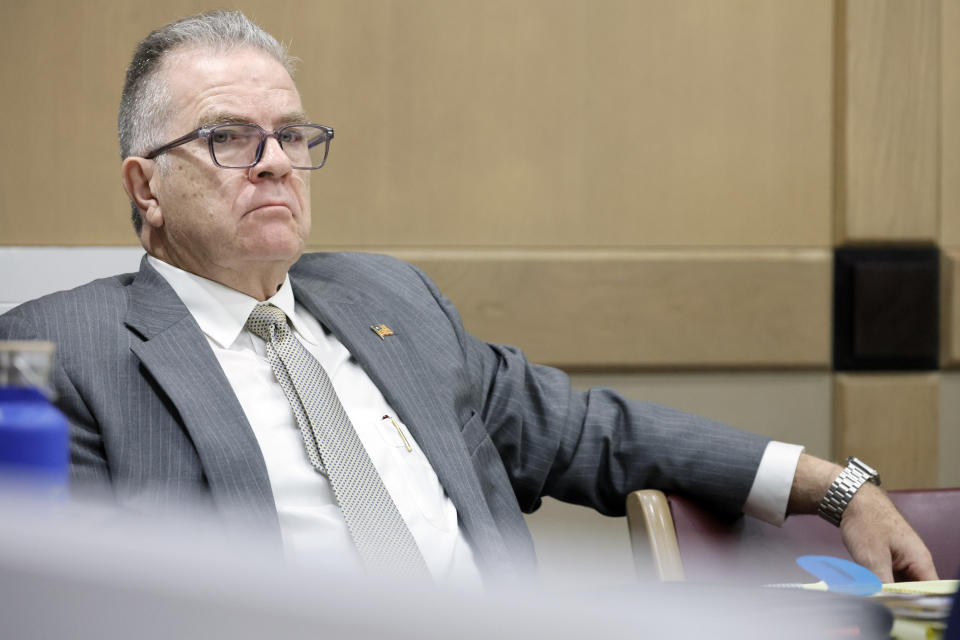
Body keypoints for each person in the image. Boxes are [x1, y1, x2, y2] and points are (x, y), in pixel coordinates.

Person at [0, 10, 937, 585]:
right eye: (230, 139)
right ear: (145, 187)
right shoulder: (63, 351)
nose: (278, 161)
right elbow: (79, 603)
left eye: (291, 133)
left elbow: (588, 432)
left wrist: (835, 486)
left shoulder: (384, 297)